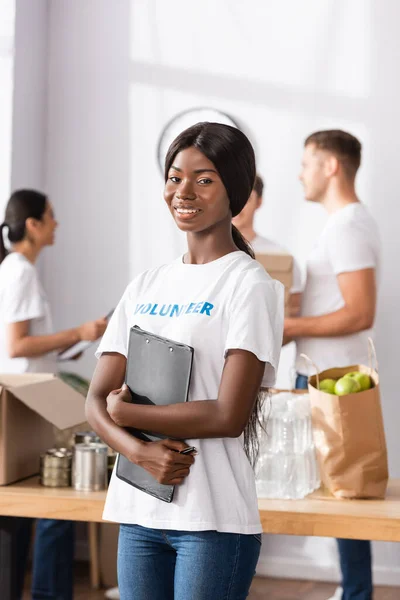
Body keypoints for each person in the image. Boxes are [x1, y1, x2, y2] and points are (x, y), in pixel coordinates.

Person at [86, 122, 284, 600]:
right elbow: (95, 398)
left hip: (212, 524)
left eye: (204, 179)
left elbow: (228, 414)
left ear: (234, 190)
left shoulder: (249, 285)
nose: (184, 191)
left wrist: (130, 416)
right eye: (175, 178)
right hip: (138, 515)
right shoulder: (146, 284)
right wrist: (138, 451)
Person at [284, 130, 380, 600]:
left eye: (306, 162)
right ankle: (355, 591)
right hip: (324, 376)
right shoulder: (341, 226)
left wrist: (289, 328)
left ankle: (357, 593)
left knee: (347, 493)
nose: (299, 172)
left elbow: (361, 312)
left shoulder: (347, 226)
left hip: (334, 380)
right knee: (342, 490)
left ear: (331, 166)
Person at [0, 189, 108, 600]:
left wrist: (77, 341)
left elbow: (30, 344)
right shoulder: (21, 271)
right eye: (51, 215)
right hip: (27, 401)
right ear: (33, 224)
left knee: (29, 508)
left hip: (28, 398)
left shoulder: (18, 269)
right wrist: (78, 333)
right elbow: (17, 346)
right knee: (54, 503)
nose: (57, 223)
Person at [232, 173, 303, 316]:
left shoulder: (280, 256)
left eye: (246, 198)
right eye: (232, 196)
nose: (238, 204)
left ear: (258, 202)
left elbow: (293, 311)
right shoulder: (203, 254)